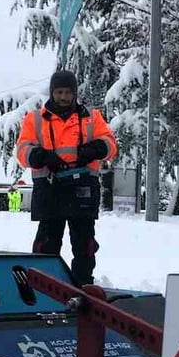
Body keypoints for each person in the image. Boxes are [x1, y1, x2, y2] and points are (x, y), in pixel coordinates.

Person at [15, 69, 117, 286]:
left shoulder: (91, 117)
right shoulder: (34, 119)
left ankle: (83, 286)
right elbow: (22, 150)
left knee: (84, 245)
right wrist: (40, 155)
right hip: (50, 188)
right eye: (59, 92)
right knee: (46, 244)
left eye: (67, 92)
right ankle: (44, 286)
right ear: (52, 93)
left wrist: (95, 148)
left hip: (83, 189)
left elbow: (110, 144)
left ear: (75, 93)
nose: (63, 97)